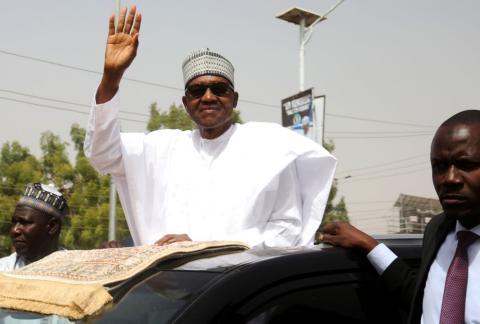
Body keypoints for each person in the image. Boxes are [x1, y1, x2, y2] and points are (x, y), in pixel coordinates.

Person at [84, 6, 337, 248]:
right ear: (185, 103)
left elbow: (287, 230)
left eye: (218, 89)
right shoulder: (163, 148)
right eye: (196, 90)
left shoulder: (269, 149)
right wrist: (111, 77)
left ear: (234, 99)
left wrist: (206, 246)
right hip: (171, 286)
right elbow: (103, 155)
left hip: (244, 287)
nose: (207, 97)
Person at [321, 109, 480, 324]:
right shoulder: (438, 228)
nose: (449, 179)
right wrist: (369, 245)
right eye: (439, 166)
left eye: (467, 165)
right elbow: (420, 299)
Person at [0, 183, 69, 271]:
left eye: (24, 223)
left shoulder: (76, 270)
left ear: (52, 227)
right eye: (14, 222)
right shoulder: (3, 270)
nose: (14, 230)